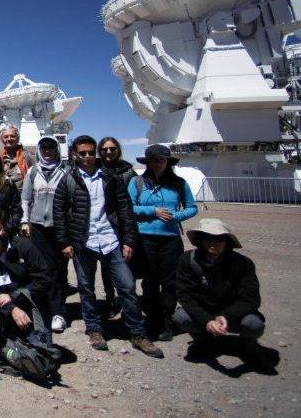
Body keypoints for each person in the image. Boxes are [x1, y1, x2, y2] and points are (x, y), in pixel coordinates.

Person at [53, 135, 163, 358]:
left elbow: (125, 209)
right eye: (82, 153)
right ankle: (94, 329)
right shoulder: (68, 180)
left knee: (127, 287)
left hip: (111, 239)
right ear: (75, 154)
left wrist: (130, 240)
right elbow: (60, 212)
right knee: (86, 288)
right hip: (84, 241)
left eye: (90, 152)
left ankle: (138, 333)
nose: (87, 157)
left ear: (96, 153)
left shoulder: (110, 178)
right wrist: (64, 242)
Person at [173, 219, 273, 370]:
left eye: (218, 238)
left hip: (233, 314)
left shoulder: (243, 264)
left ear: (227, 241)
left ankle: (247, 344)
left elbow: (250, 299)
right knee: (181, 317)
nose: (213, 242)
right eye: (208, 238)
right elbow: (186, 296)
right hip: (205, 311)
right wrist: (207, 320)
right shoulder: (188, 260)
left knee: (254, 324)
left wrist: (226, 316)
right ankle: (203, 340)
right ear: (200, 240)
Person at [129, 144, 198, 341]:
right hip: (145, 238)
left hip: (170, 239)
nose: (158, 162)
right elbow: (129, 206)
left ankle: (167, 320)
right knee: (150, 281)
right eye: (154, 159)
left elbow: (192, 208)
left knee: (170, 282)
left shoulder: (179, 184)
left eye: (161, 159)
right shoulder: (137, 182)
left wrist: (176, 216)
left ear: (168, 161)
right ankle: (152, 319)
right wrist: (152, 211)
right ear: (148, 162)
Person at [0, 212, 53, 361]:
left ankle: (22, 337)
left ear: (6, 228)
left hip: (30, 304)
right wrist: (12, 308)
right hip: (1, 305)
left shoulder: (23, 246)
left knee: (42, 357)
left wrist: (15, 297)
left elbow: (44, 278)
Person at [20, 137, 70, 333]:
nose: (48, 150)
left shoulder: (65, 172)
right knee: (44, 269)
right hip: (38, 226)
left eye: (51, 147)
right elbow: (26, 198)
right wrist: (25, 220)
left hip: (59, 227)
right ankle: (46, 309)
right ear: (40, 150)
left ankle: (59, 311)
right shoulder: (33, 172)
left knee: (59, 269)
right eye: (44, 147)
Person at [96, 137, 133, 320]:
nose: (108, 152)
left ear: (118, 149)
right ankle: (110, 300)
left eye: (112, 149)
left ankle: (127, 304)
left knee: (124, 267)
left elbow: (130, 203)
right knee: (106, 267)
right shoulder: (95, 170)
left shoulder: (128, 172)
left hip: (122, 224)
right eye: (104, 149)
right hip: (103, 224)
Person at [0, 125, 34, 190]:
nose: (9, 139)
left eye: (12, 136)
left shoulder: (27, 156)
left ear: (18, 138)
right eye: (6, 137)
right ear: (2, 139)